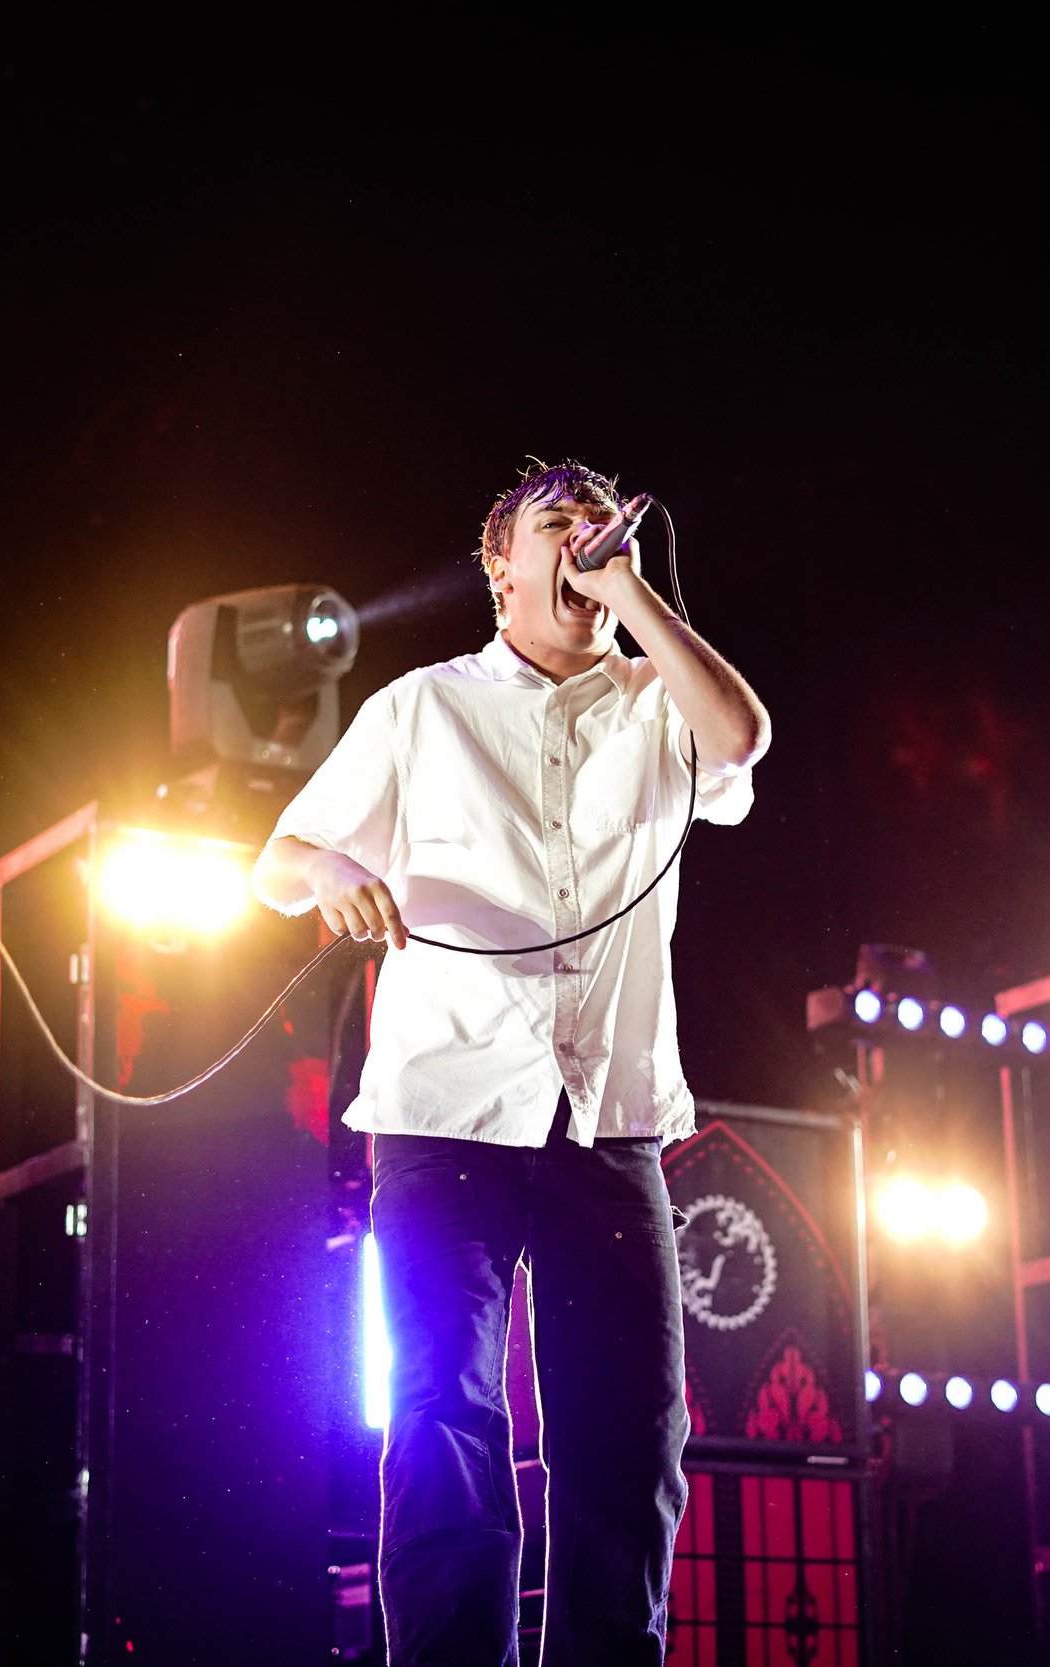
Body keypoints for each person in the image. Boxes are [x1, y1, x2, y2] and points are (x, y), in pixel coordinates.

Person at [251, 460, 770, 1666]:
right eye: (559, 526)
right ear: (500, 567)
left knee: (632, 1432)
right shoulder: (419, 707)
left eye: (603, 522)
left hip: (611, 1119)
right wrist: (330, 872)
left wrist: (631, 597)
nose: (588, 538)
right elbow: (277, 859)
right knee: (443, 1417)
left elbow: (742, 738)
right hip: (444, 1114)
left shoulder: (657, 704)